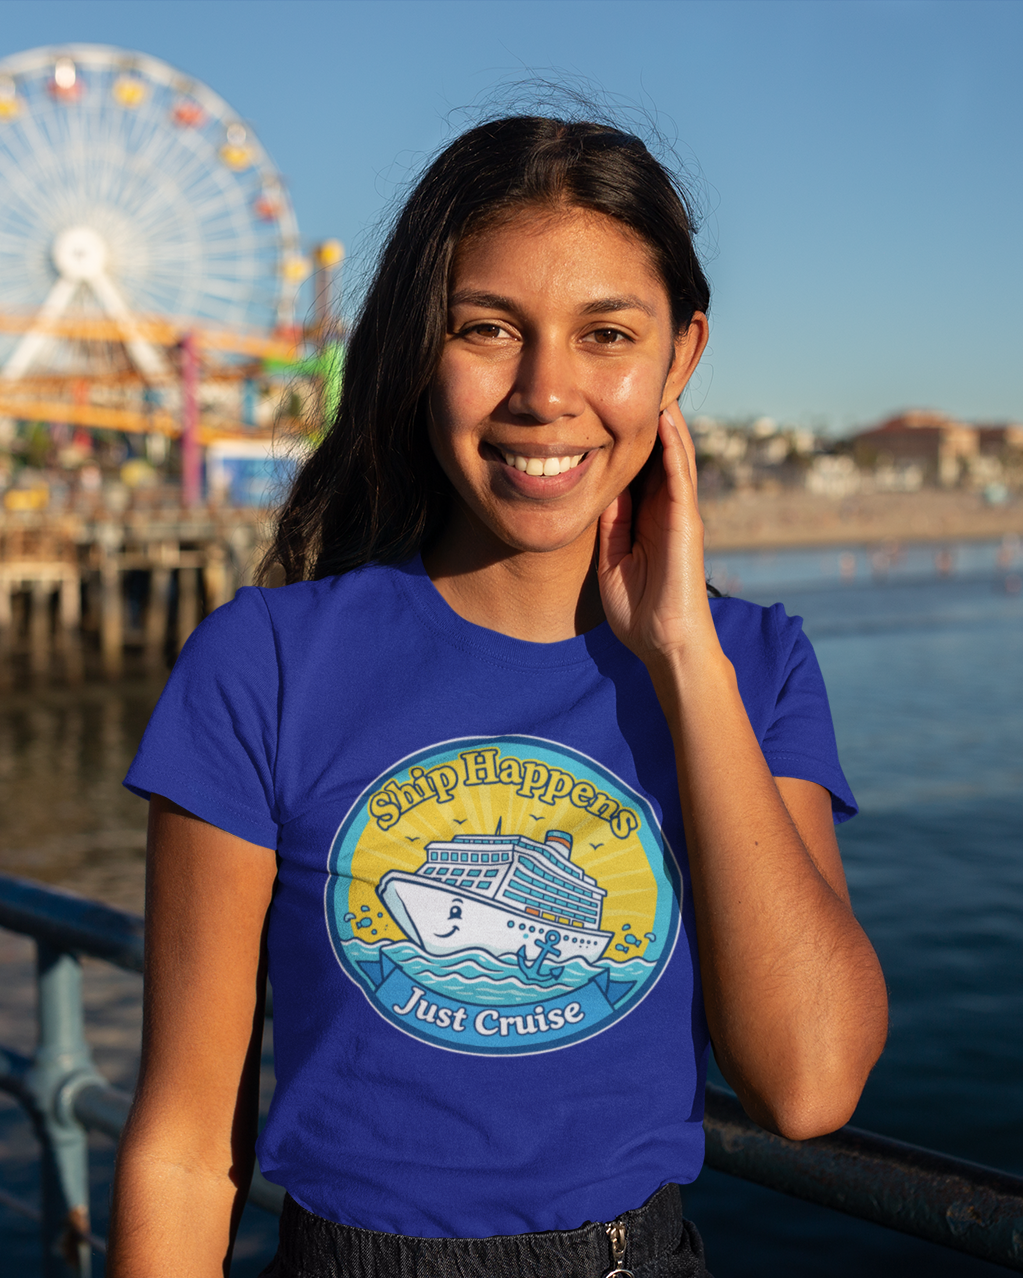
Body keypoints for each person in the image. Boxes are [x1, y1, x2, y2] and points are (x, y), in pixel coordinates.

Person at [109, 116, 888, 1278]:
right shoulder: (265, 662)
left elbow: (810, 1081)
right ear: (422, 344)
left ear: (681, 357)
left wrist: (682, 656)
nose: (545, 392)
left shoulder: (750, 665)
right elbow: (182, 1144)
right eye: (488, 329)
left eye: (606, 334)